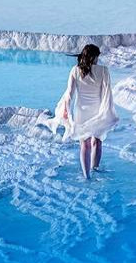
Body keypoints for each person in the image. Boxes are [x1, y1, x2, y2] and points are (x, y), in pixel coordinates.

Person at [50, 44, 119, 179]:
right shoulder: (104, 71)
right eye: (97, 57)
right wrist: (108, 112)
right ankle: (95, 169)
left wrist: (66, 110)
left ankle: (87, 176)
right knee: (97, 141)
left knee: (85, 145)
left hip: (80, 111)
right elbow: (107, 93)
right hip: (98, 110)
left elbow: (69, 94)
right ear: (94, 57)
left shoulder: (75, 71)